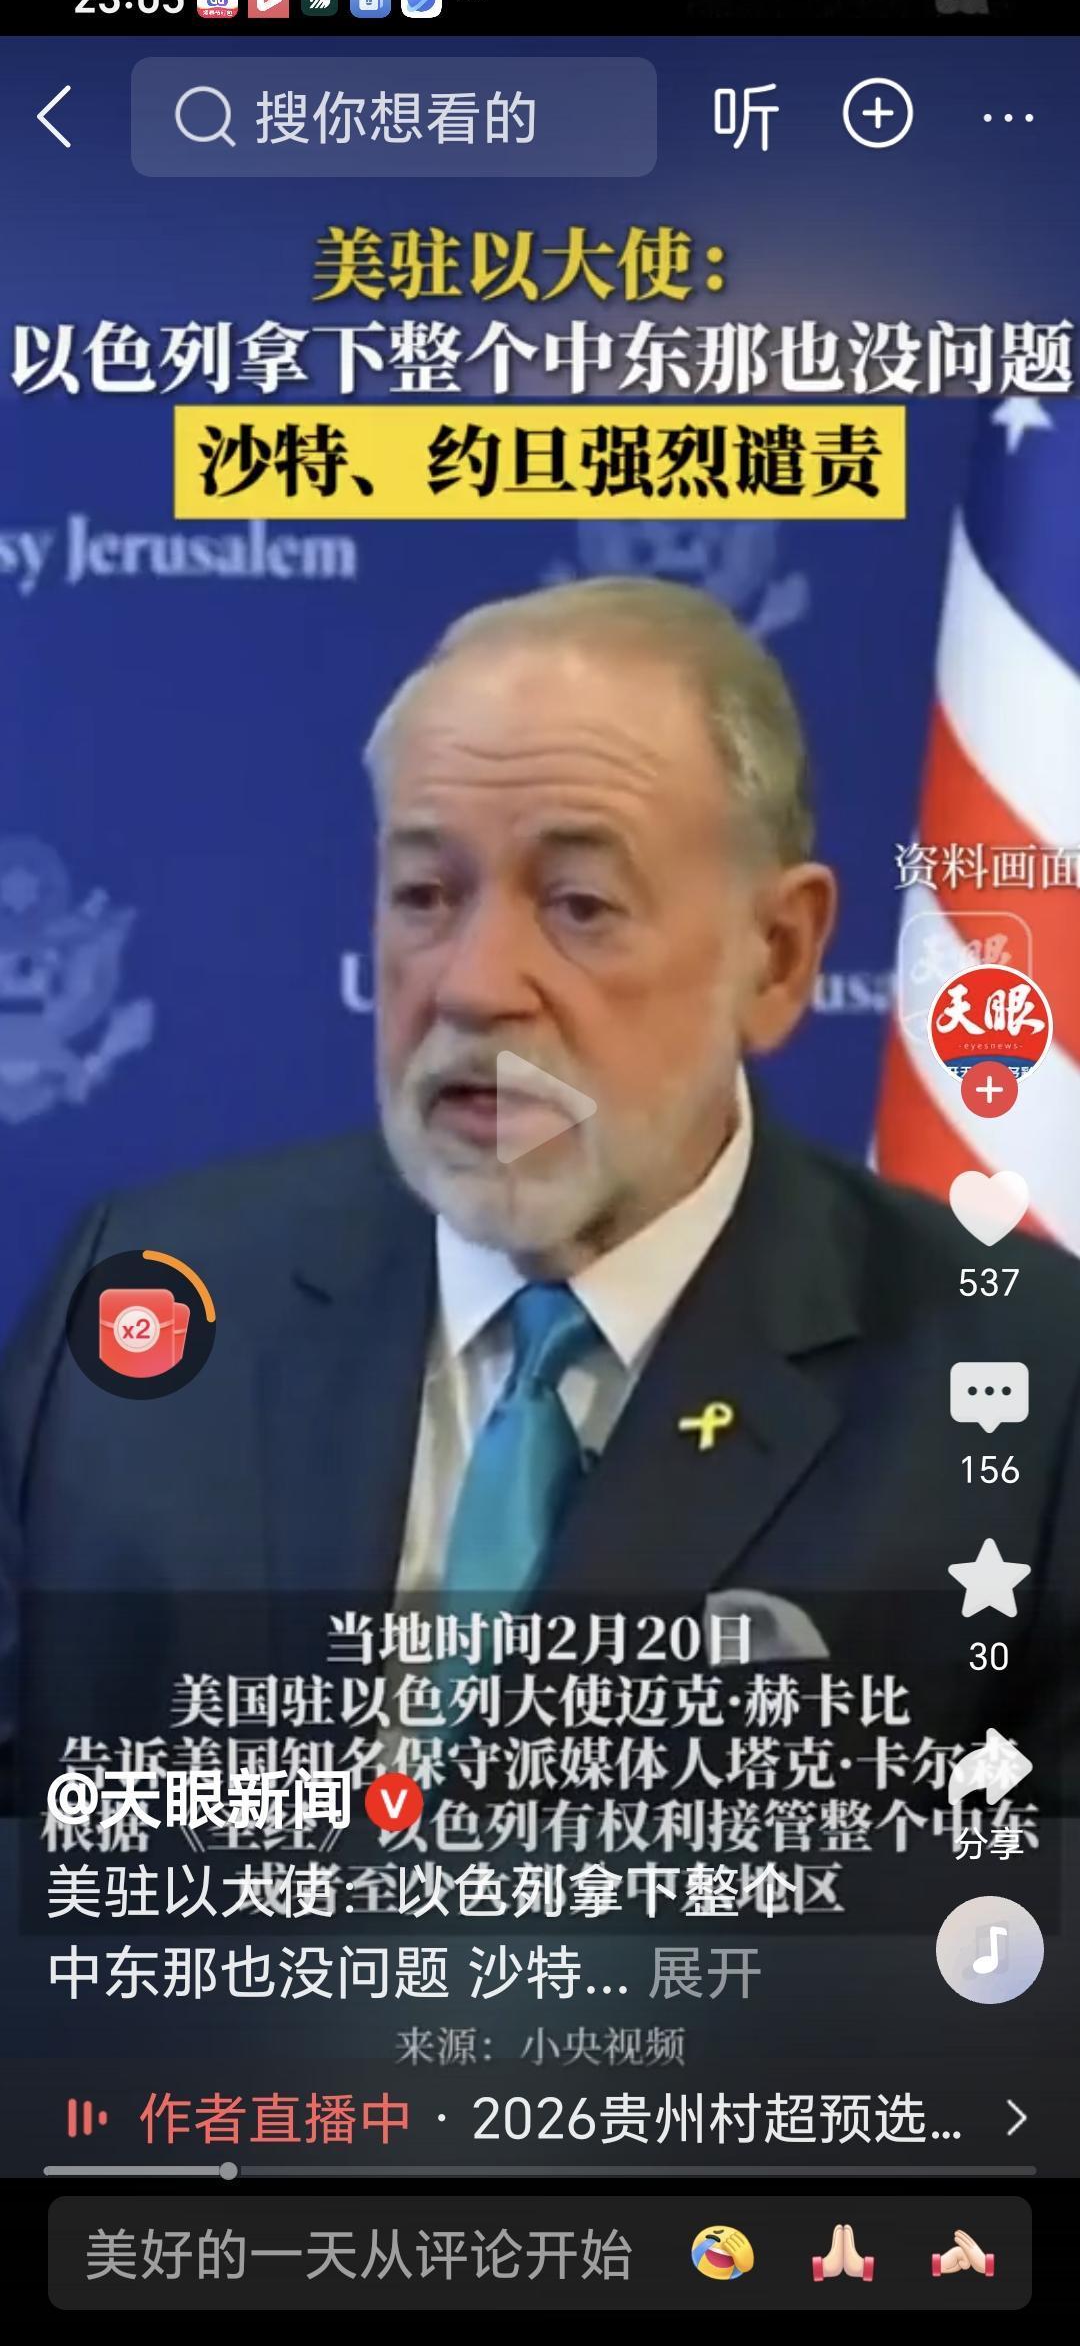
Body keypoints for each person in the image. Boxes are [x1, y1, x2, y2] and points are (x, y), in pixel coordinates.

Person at [2, 575, 1079, 1785]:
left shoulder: (1026, 1392)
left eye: (578, 906)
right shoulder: (147, 1304)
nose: (473, 985)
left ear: (777, 957)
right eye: (426, 896)